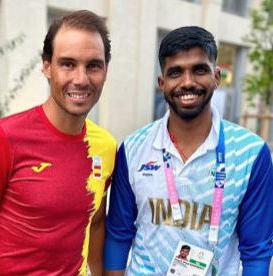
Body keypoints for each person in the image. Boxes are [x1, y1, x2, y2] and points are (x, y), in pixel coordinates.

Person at [0, 10, 117, 275]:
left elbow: (95, 223)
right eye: (68, 64)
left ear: (105, 70)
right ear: (47, 66)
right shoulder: (3, 139)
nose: (81, 79)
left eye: (93, 65)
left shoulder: (106, 147)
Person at [104, 26, 273, 275]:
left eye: (199, 70)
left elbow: (257, 249)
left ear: (216, 76)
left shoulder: (251, 153)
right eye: (175, 72)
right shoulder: (133, 149)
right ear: (162, 83)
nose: (188, 82)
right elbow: (118, 235)